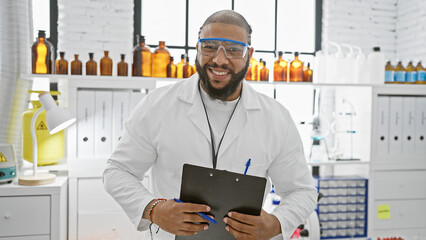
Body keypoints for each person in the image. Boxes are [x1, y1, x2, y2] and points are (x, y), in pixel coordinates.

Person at [103, 9, 317, 240]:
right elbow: (117, 171)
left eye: (233, 50)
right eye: (209, 47)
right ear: (197, 48)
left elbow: (301, 191)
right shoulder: (157, 106)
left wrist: (277, 223)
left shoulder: (275, 117)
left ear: (249, 54)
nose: (219, 59)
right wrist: (153, 209)